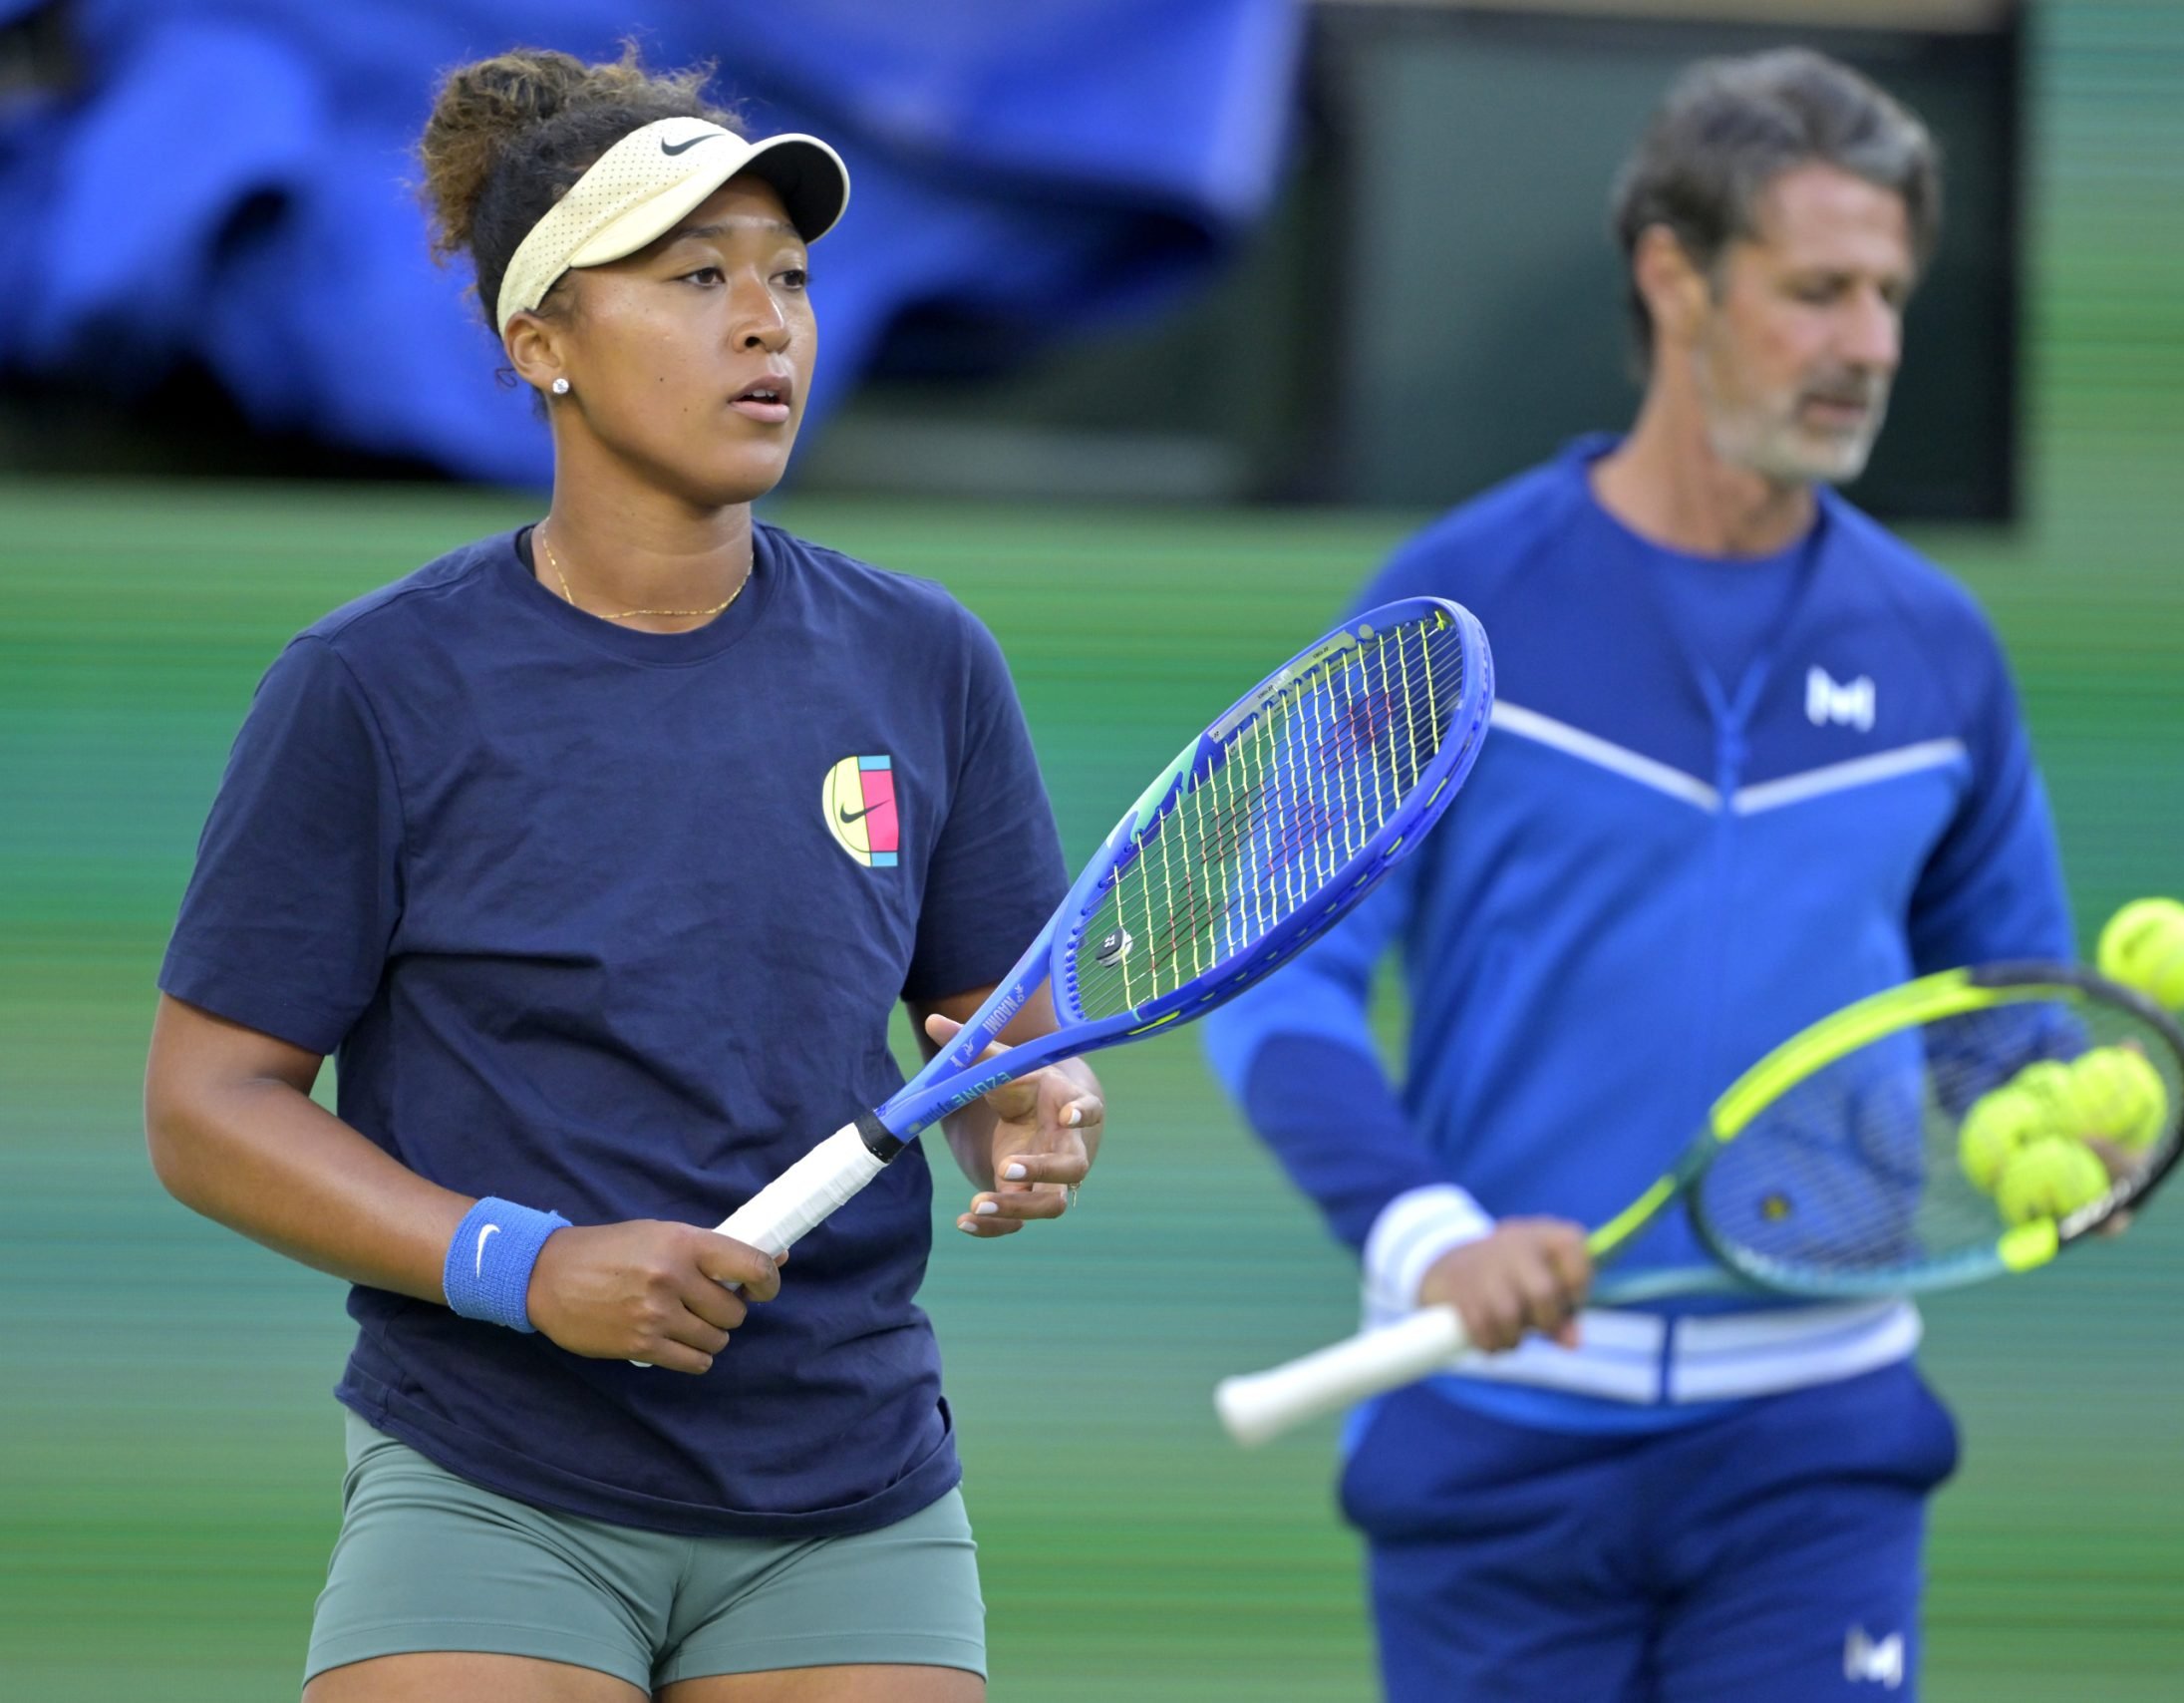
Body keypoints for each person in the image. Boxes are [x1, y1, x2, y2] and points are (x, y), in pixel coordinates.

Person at [143, 47, 1101, 1703]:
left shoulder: (923, 659)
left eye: (790, 277)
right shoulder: (373, 687)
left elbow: (989, 1019)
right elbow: (208, 1104)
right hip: (496, 1479)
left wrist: (1032, 1096)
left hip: (852, 1490)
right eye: (694, 276)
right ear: (543, 347)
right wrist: (527, 1268)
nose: (766, 321)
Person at [1204, 48, 2070, 1702]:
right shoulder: (1454, 611)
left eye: (1890, 294)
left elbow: (2005, 1007)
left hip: (1820, 1449)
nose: (1873, 345)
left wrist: (2060, 1127)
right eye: (1820, 290)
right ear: (1675, 274)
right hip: (1497, 1438)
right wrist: (1427, 1230)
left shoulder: (1940, 650)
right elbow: (1273, 976)